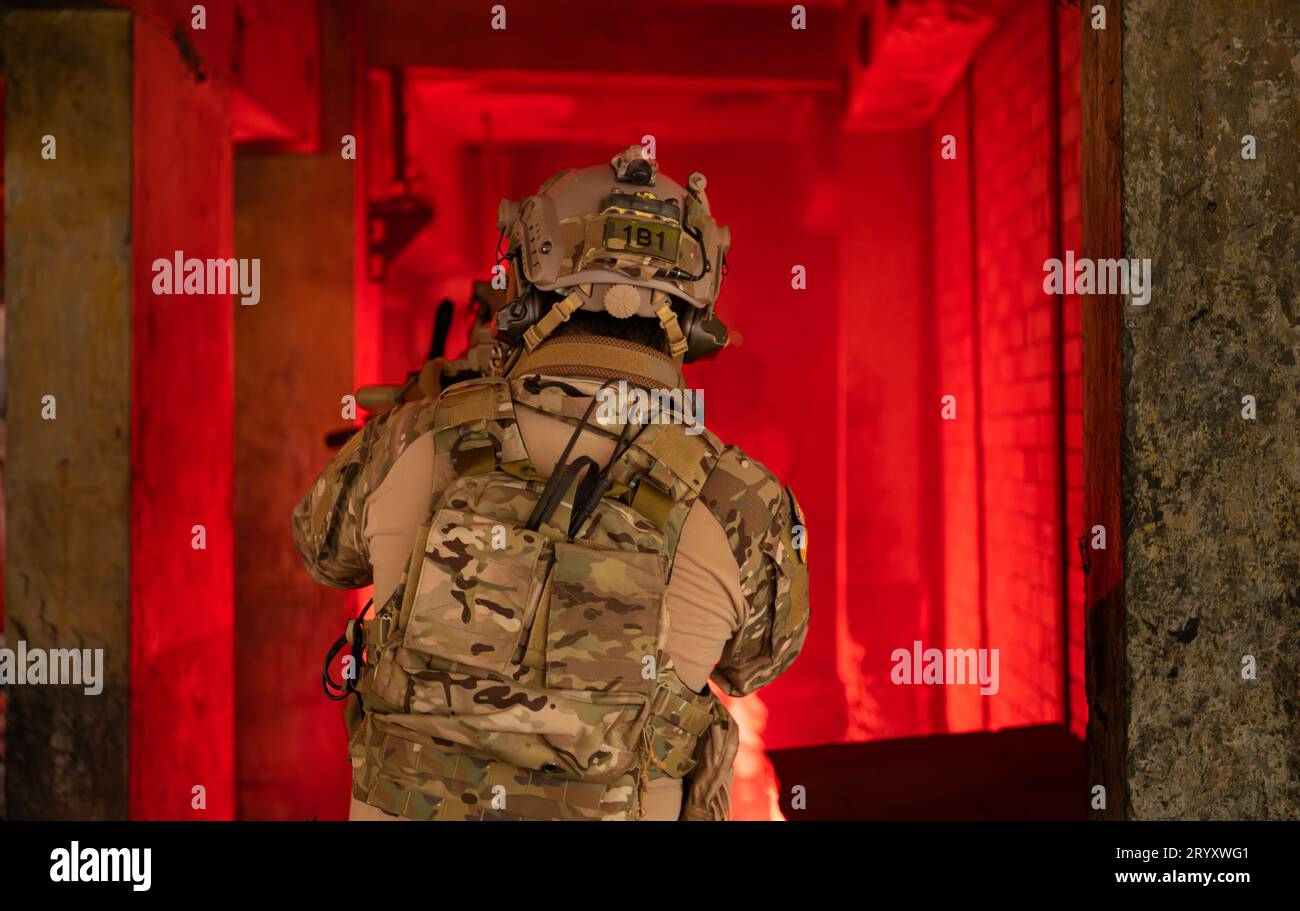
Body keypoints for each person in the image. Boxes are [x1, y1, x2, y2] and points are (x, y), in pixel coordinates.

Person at [292, 145, 809, 820]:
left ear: (527, 274)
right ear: (699, 300)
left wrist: (420, 410)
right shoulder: (744, 503)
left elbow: (320, 547)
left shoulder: (413, 440)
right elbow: (758, 662)